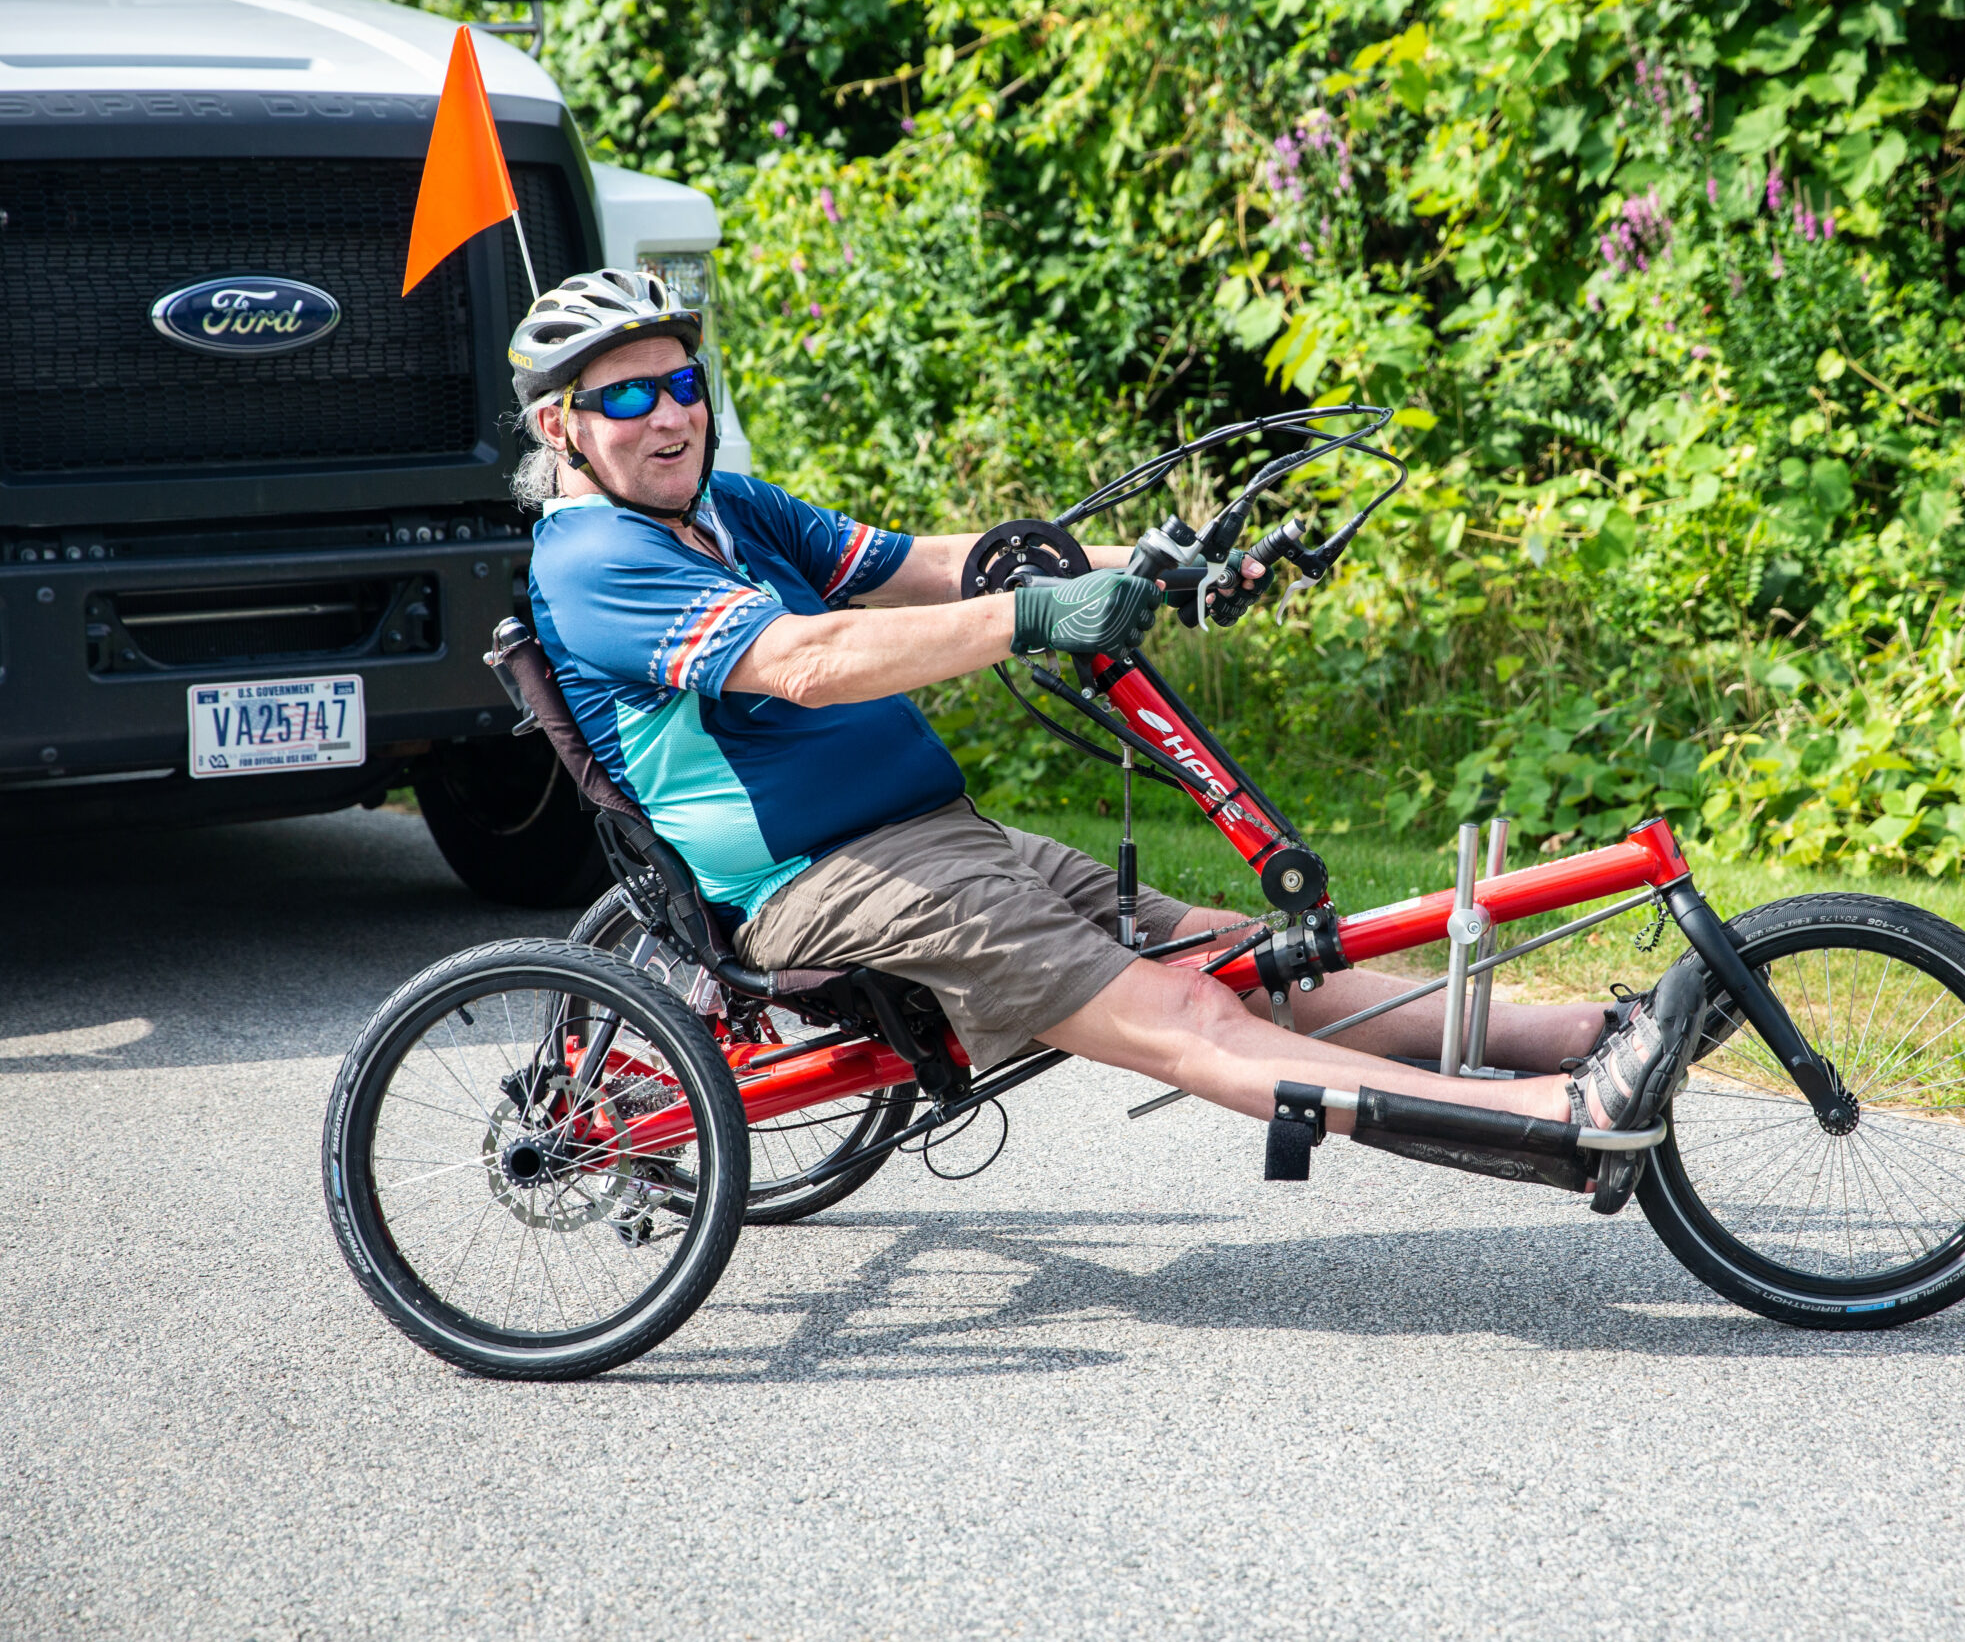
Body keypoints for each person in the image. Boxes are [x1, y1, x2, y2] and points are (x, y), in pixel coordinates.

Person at [511, 269, 1702, 1204]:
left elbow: (925, 566)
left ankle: (1587, 1034)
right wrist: (1032, 617)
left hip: (928, 841)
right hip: (821, 883)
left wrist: (1162, 568)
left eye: (682, 383)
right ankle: (1561, 1120)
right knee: (1186, 1018)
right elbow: (806, 664)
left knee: (1233, 954)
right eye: (626, 396)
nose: (668, 413)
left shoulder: (725, 505)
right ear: (564, 427)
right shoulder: (599, 557)